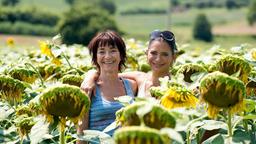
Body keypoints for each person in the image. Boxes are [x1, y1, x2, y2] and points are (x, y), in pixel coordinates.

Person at [77, 30, 137, 144]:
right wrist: (91, 76)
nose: (107, 56)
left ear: (121, 55)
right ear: (95, 57)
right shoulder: (88, 89)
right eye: (101, 51)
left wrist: (91, 74)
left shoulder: (132, 86)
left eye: (113, 51)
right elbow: (81, 132)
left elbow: (144, 77)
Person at [81, 30, 177, 98]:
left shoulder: (178, 87)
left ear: (174, 57)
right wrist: (90, 77)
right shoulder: (140, 78)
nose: (158, 59)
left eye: (165, 54)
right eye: (153, 53)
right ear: (146, 54)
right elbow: (108, 73)